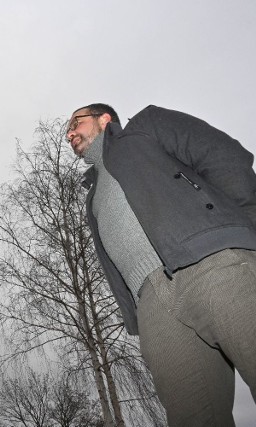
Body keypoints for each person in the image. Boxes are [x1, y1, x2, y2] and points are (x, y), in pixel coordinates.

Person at [66, 103, 256, 426]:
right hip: (154, 309)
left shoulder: (145, 127)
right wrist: (138, 316)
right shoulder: (92, 198)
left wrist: (241, 227)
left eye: (76, 122)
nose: (70, 133)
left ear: (104, 118)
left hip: (211, 260)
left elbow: (221, 154)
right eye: (68, 131)